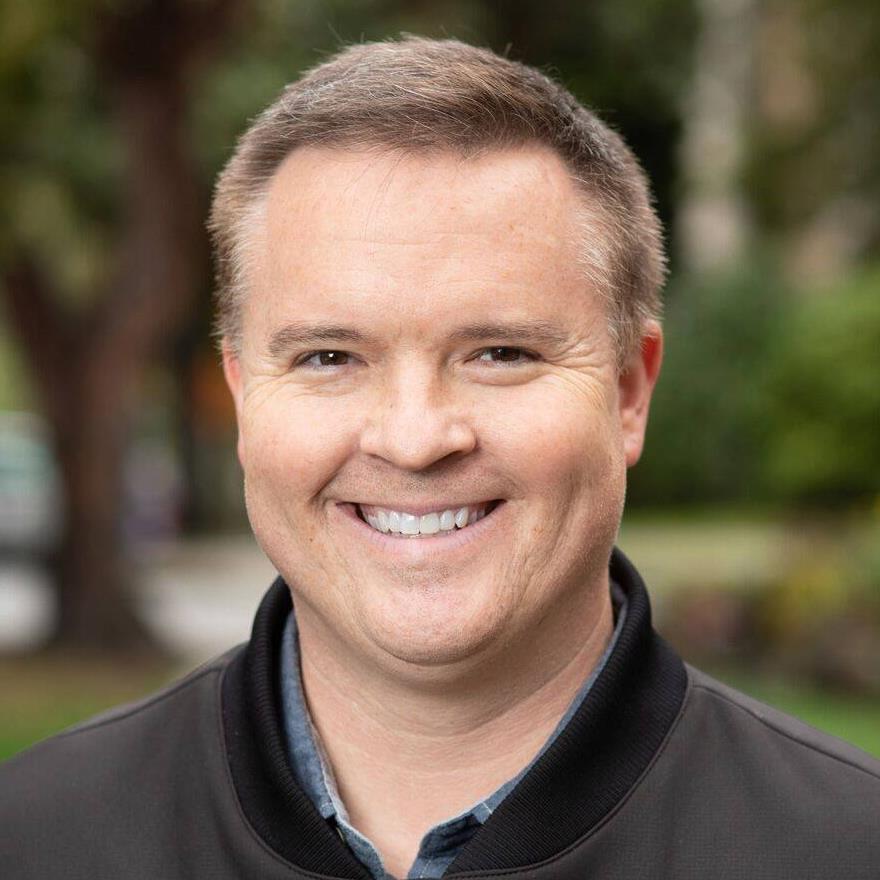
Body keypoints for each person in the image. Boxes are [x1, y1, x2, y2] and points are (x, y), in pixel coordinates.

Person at [2, 36, 879, 880]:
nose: (416, 439)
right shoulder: (35, 840)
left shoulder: (847, 851)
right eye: (329, 357)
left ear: (628, 393)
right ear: (243, 396)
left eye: (500, 353)